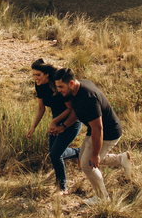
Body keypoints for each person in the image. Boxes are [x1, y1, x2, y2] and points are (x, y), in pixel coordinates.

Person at [53, 67, 132, 204]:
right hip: (95, 130)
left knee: (88, 165)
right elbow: (76, 112)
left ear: (71, 83)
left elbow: (98, 128)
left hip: (108, 133)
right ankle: (121, 159)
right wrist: (63, 127)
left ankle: (103, 198)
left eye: (61, 87)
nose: (58, 90)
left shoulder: (88, 98)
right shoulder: (76, 89)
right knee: (83, 158)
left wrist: (95, 154)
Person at [27, 59, 81, 194]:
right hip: (56, 118)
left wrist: (55, 122)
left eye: (38, 75)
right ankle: (79, 153)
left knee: (56, 154)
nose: (35, 78)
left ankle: (62, 187)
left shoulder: (58, 86)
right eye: (33, 75)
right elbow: (41, 107)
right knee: (54, 153)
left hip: (71, 119)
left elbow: (70, 109)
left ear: (46, 74)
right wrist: (33, 127)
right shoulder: (39, 85)